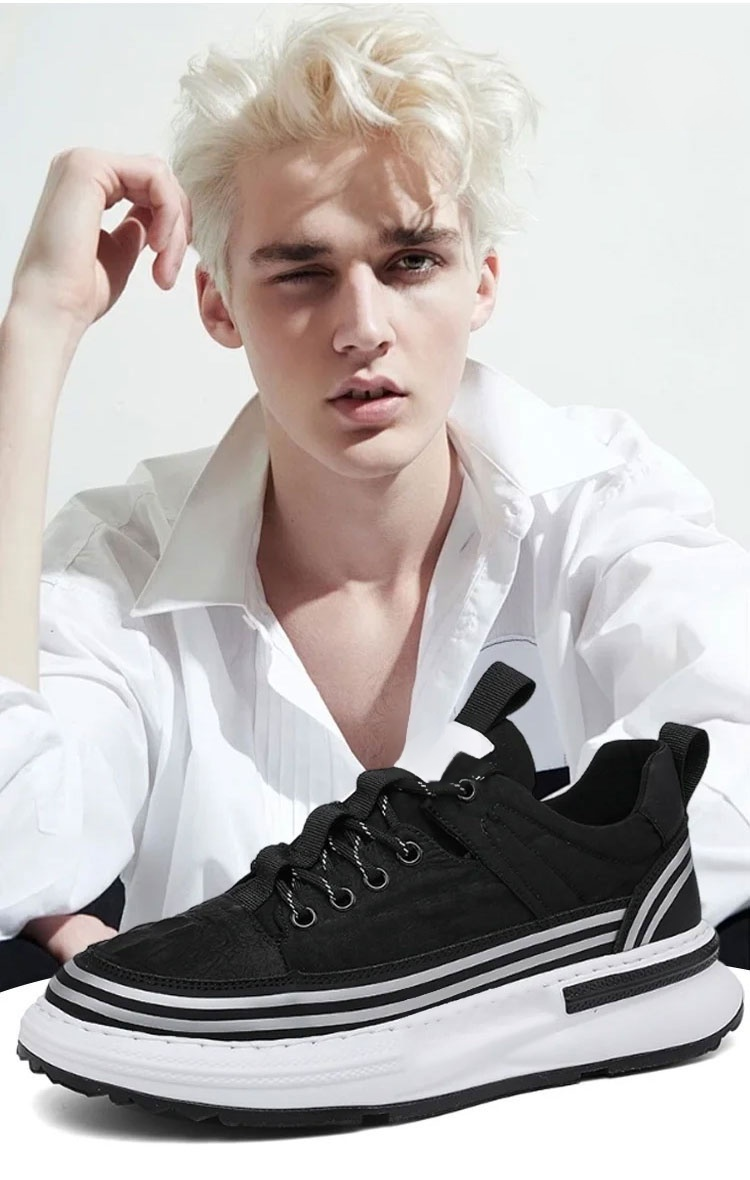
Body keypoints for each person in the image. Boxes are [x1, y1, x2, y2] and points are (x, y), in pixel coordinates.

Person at [1, 4, 748, 991]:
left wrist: (403, 943)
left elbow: (736, 774)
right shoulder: (121, 564)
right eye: (302, 273)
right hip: (237, 1098)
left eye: (411, 262)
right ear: (219, 302)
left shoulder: (598, 503)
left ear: (480, 283)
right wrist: (37, 331)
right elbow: (17, 858)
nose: (362, 327)